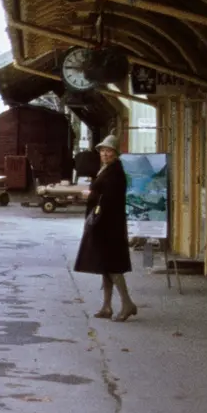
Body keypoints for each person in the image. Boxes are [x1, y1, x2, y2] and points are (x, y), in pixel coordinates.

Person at [73, 135, 137, 322]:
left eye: (108, 151)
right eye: (102, 150)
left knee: (112, 265)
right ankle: (107, 306)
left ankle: (127, 304)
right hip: (104, 224)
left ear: (116, 153)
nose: (105, 153)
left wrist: (90, 194)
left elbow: (108, 199)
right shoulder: (107, 169)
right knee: (105, 266)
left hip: (109, 226)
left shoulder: (115, 172)